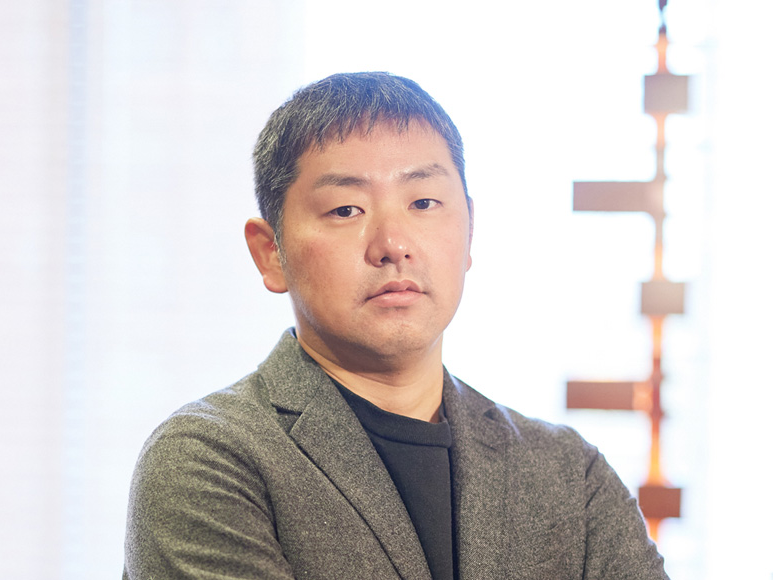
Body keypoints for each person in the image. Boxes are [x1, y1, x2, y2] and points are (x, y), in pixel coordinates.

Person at [122, 72, 669, 579]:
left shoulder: (568, 474)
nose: (393, 245)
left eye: (424, 202)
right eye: (346, 210)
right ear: (271, 253)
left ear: (470, 231)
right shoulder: (209, 460)